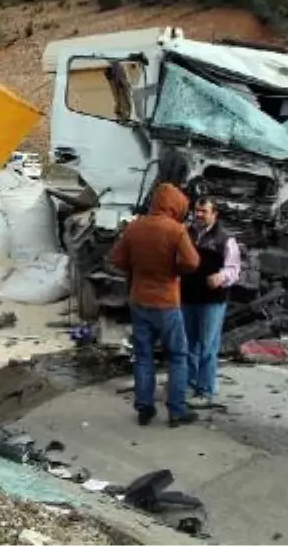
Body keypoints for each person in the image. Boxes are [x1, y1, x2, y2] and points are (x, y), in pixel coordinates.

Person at [109, 182, 201, 428]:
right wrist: (174, 270)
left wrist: (136, 268)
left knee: (143, 356)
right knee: (178, 356)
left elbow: (116, 258)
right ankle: (177, 411)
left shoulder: (135, 227)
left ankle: (144, 408)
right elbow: (192, 263)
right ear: (175, 206)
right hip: (167, 302)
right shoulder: (176, 230)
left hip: (139, 300)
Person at [180, 197, 240, 409]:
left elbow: (234, 270)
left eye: (203, 211)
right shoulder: (186, 234)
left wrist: (221, 277)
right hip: (187, 298)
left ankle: (205, 390)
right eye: (197, 211)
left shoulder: (225, 240)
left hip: (212, 301)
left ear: (214, 214)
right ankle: (189, 385)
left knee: (207, 346)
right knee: (188, 344)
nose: (199, 215)